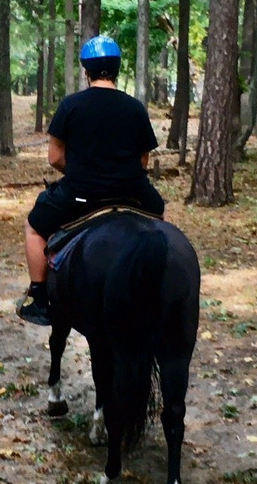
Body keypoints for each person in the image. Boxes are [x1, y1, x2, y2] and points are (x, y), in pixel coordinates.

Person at [17, 35, 166, 325]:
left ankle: (38, 297)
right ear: (117, 68)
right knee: (161, 215)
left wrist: (82, 171)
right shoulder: (135, 108)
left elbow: (55, 157)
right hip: (132, 192)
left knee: (33, 228)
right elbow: (143, 161)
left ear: (87, 71)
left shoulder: (71, 105)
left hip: (80, 194)